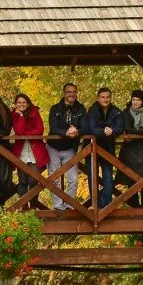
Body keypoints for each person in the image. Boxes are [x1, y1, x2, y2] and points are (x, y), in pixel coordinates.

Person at [46, 83, 87, 211]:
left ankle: (69, 205)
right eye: (69, 92)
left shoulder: (81, 109)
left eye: (74, 91)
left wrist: (77, 131)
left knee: (73, 179)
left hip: (70, 148)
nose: (71, 94)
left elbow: (85, 127)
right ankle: (59, 206)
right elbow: (53, 127)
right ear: (64, 93)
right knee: (54, 179)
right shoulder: (55, 108)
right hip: (53, 148)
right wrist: (66, 133)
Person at [86, 87, 124, 208]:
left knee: (108, 177)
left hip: (108, 148)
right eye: (103, 97)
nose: (105, 99)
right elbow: (92, 128)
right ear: (98, 98)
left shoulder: (116, 111)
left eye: (108, 97)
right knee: (93, 177)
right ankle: (95, 205)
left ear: (111, 98)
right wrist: (104, 131)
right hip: (91, 147)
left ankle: (105, 205)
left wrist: (111, 131)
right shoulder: (92, 110)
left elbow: (120, 127)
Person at [116, 90, 143, 208]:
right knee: (130, 178)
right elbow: (127, 129)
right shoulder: (126, 112)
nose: (135, 102)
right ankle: (134, 208)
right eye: (133, 99)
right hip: (129, 149)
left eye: (138, 100)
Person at [10, 94, 48, 203]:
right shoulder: (14, 114)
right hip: (21, 152)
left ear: (27, 103)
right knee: (22, 181)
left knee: (33, 180)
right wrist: (21, 116)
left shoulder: (35, 112)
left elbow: (40, 129)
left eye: (23, 102)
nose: (21, 104)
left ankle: (33, 206)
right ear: (15, 104)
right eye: (19, 103)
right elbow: (19, 131)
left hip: (35, 151)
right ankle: (24, 207)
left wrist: (26, 134)